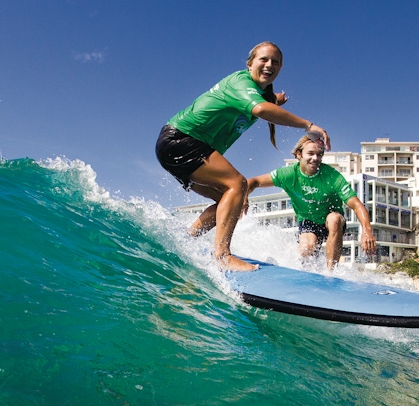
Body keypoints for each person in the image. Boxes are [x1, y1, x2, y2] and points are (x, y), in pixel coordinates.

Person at [155, 42, 330, 271]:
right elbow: (260, 109)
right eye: (264, 60)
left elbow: (266, 103)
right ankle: (222, 256)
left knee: (230, 202)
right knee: (238, 185)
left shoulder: (260, 93)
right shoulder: (241, 82)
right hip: (182, 139)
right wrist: (308, 125)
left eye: (275, 62)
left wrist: (276, 99)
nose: (269, 65)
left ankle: (187, 239)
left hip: (177, 145)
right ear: (249, 64)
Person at [246, 135, 376, 270]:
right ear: (299, 154)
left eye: (319, 155)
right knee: (306, 248)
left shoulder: (331, 176)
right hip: (308, 220)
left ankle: (331, 273)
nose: (315, 158)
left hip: (331, 220)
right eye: (310, 153)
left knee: (334, 219)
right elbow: (253, 181)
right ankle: (304, 271)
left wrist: (367, 231)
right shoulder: (289, 174)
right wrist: (244, 196)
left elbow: (356, 204)